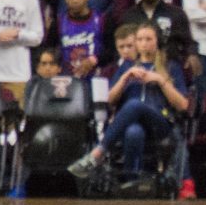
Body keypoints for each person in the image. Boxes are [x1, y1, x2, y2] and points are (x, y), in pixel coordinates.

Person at [69, 22, 193, 192]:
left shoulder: (170, 66)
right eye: (140, 39)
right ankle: (132, 182)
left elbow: (183, 105)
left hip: (160, 122)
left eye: (148, 39)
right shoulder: (127, 66)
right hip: (131, 124)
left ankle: (98, 152)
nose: (144, 43)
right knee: (133, 131)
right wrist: (125, 78)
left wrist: (160, 80)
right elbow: (109, 101)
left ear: (157, 41)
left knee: (135, 105)